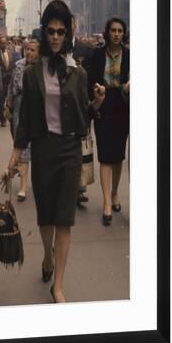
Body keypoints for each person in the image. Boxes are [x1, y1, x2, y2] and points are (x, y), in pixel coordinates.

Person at [8, 0, 105, 303]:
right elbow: (25, 120)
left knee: (64, 218)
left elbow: (82, 116)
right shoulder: (31, 72)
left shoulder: (78, 72)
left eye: (60, 32)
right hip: (43, 149)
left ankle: (58, 285)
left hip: (69, 150)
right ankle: (47, 257)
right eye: (50, 31)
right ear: (44, 32)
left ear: (67, 34)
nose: (55, 37)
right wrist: (15, 154)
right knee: (45, 216)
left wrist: (97, 104)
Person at [88, 17, 130, 226]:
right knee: (105, 156)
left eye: (120, 30)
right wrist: (96, 91)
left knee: (117, 157)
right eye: (113, 30)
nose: (116, 34)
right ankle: (106, 202)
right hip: (103, 107)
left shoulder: (131, 56)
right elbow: (89, 80)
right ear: (107, 32)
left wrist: (128, 86)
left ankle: (114, 193)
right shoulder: (97, 55)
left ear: (124, 33)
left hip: (122, 109)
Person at [6, 38, 40, 202]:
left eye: (33, 50)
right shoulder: (19, 64)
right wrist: (9, 103)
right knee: (22, 146)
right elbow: (12, 85)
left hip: (38, 110)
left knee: (38, 149)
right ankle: (23, 185)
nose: (29, 53)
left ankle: (38, 183)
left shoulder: (43, 67)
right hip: (20, 109)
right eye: (27, 49)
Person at [71, 16, 95, 205]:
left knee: (82, 147)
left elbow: (93, 77)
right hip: (61, 107)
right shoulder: (56, 49)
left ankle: (80, 188)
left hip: (83, 105)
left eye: (71, 24)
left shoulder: (86, 50)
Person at [0, 35, 15, 127]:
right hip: (1, 80)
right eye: (2, 43)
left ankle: (11, 118)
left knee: (11, 99)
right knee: (1, 100)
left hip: (10, 79)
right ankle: (2, 120)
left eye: (5, 43)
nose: (4, 45)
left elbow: (13, 65)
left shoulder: (11, 52)